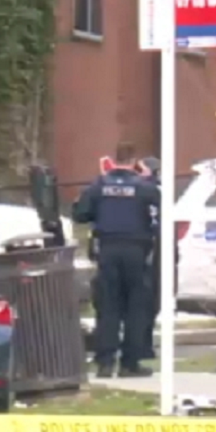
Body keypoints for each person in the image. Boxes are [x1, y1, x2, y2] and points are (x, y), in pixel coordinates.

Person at [73, 144, 160, 377]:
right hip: (137, 251)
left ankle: (105, 362)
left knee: (108, 306)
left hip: (108, 250)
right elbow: (158, 219)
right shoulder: (146, 188)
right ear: (134, 161)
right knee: (136, 307)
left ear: (114, 160)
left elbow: (80, 214)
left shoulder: (98, 186)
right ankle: (129, 363)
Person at [138, 156, 162, 360]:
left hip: (147, 250)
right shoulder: (155, 191)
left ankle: (141, 345)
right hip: (154, 250)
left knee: (145, 301)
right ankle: (144, 345)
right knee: (150, 302)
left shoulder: (145, 190)